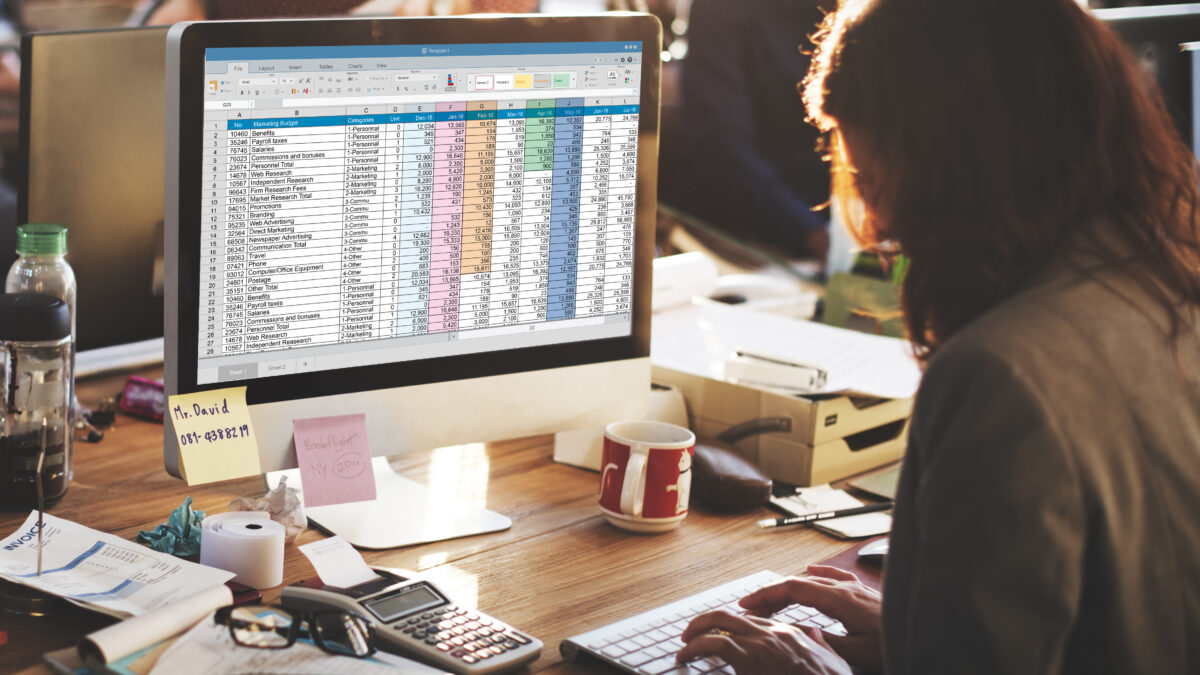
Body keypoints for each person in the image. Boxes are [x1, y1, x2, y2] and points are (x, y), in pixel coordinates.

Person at [675, 0, 1200, 672]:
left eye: (873, 183)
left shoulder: (1000, 374)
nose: (880, 228)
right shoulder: (1168, 289)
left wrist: (812, 669)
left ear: (952, 168)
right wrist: (916, 639)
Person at [660, 0, 835, 259]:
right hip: (755, 234)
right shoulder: (722, 8)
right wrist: (813, 235)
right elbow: (721, 146)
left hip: (841, 226)